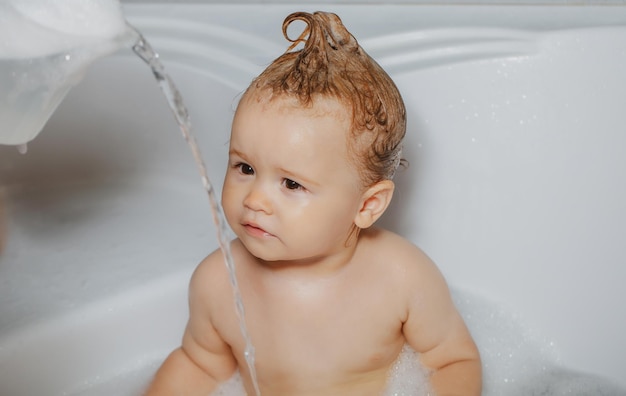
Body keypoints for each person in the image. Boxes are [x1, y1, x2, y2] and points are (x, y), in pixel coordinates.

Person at [145, 11, 481, 396]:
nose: (254, 199)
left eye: (291, 183)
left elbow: (453, 361)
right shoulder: (218, 281)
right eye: (245, 167)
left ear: (368, 205)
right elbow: (200, 367)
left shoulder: (401, 278)